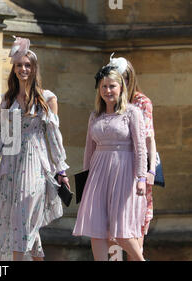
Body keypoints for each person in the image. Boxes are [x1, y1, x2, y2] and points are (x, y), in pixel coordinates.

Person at [0, 36, 70, 261]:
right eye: (19, 65)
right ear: (13, 69)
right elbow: (0, 135)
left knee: (23, 216)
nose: (23, 69)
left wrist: (60, 170)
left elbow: (54, 138)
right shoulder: (7, 100)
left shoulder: (47, 99)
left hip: (35, 162)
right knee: (19, 218)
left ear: (34, 69)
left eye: (27, 65)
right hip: (11, 164)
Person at [72, 66, 147, 261]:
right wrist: (85, 179)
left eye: (112, 86)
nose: (107, 90)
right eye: (103, 86)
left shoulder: (133, 113)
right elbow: (88, 150)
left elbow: (141, 148)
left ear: (121, 87)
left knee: (121, 230)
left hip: (124, 172)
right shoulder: (95, 115)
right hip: (97, 174)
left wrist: (141, 178)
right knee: (96, 228)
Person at [107, 53, 157, 260]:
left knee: (134, 224)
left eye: (125, 78)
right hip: (111, 169)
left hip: (137, 169)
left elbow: (149, 139)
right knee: (109, 227)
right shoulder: (108, 100)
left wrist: (150, 171)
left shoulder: (140, 102)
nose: (122, 83)